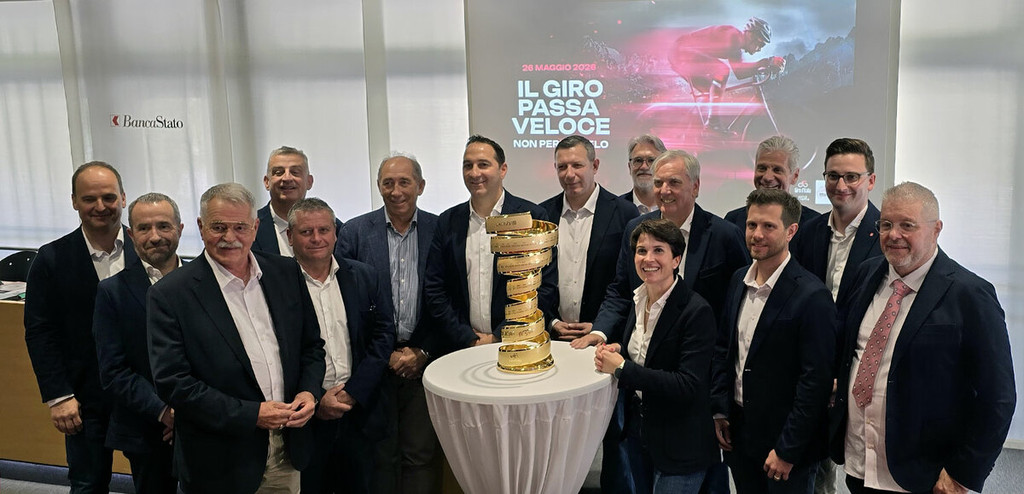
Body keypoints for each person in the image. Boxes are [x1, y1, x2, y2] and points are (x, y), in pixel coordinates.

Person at [830, 182, 1015, 494]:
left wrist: (963, 474)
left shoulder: (970, 295)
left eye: (907, 225)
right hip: (860, 461)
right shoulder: (866, 275)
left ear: (936, 229)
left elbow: (998, 397)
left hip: (924, 474)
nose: (893, 234)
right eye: (886, 224)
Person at [148, 183, 325, 493]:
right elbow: (174, 383)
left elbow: (311, 346)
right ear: (201, 227)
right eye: (219, 227)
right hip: (218, 461)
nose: (230, 237)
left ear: (255, 228)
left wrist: (309, 393)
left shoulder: (285, 272)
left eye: (240, 227)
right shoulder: (170, 294)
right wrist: (252, 415)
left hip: (287, 449)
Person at [712, 188, 836, 494]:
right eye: (752, 225)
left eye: (769, 226)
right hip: (740, 436)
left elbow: (815, 383)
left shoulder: (812, 295)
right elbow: (724, 350)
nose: (757, 234)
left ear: (791, 231)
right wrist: (720, 410)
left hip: (786, 446)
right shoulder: (737, 280)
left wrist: (788, 450)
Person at [25, 161, 137, 493]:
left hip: (143, 395)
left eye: (109, 197)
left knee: (156, 483)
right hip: (83, 398)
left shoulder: (148, 249)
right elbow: (40, 332)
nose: (100, 206)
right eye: (89, 199)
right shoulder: (52, 258)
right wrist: (58, 396)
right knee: (88, 484)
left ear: (123, 198)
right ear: (74, 201)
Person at [337, 153, 444, 494]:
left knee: (420, 456)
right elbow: (344, 305)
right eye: (388, 183)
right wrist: (383, 354)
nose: (396, 191)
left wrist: (423, 351)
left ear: (420, 186)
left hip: (423, 363)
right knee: (376, 455)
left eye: (404, 182)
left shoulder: (440, 230)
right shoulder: (354, 232)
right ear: (379, 187)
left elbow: (449, 300)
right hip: (371, 365)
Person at [538, 135, 639, 494]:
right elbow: (536, 281)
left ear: (595, 166)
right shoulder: (541, 214)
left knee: (614, 435)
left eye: (577, 165)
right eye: (562, 166)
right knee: (556, 435)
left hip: (605, 345)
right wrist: (551, 322)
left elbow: (626, 285)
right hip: (554, 343)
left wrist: (599, 329)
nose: (570, 173)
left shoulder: (625, 214)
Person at [594, 218, 718, 494]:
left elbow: (687, 384)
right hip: (640, 433)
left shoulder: (697, 311)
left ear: (676, 260)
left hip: (680, 443)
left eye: (658, 250)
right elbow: (649, 354)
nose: (648, 258)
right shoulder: (638, 299)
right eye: (641, 251)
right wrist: (620, 350)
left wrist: (623, 368)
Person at [578, 149, 748, 348]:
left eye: (674, 183)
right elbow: (621, 290)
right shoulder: (635, 228)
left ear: (695, 187)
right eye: (658, 183)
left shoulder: (725, 235)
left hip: (699, 355)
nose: (664, 191)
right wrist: (600, 331)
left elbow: (738, 304)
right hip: (639, 353)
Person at [288, 198, 395, 494]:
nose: (317, 238)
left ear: (335, 232)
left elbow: (383, 335)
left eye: (324, 229)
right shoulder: (275, 284)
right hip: (306, 417)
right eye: (306, 232)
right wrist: (317, 399)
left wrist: (354, 392)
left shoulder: (364, 275)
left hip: (359, 411)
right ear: (290, 236)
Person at [423, 135, 557, 350]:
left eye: (483, 164)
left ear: (503, 170)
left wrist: (499, 336)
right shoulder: (447, 222)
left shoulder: (531, 218)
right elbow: (435, 289)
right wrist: (467, 337)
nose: (474, 173)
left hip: (518, 345)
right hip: (461, 347)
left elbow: (544, 287)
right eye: (468, 165)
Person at [92, 193, 183, 494]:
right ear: (130, 235)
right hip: (146, 430)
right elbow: (114, 371)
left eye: (164, 226)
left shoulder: (206, 281)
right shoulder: (111, 292)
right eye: (144, 228)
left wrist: (191, 413)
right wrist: (165, 412)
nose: (155, 236)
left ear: (180, 229)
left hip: (206, 424)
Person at [791, 138, 881, 303]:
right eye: (833, 176)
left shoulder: (886, 235)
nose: (840, 186)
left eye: (851, 177)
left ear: (871, 181)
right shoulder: (808, 232)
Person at [667, 17, 784, 132]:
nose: (759, 49)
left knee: (711, 93)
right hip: (681, 51)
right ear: (751, 35)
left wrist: (764, 65)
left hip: (680, 53)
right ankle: (712, 124)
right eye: (760, 44)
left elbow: (740, 73)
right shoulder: (733, 36)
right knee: (722, 70)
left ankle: (692, 130)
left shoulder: (736, 45)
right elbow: (740, 71)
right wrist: (766, 62)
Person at [253, 145, 341, 256]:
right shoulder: (250, 228)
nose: (287, 178)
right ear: (267, 182)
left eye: (295, 172)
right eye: (279, 172)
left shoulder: (338, 229)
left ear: (309, 181)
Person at [724, 136, 819, 231]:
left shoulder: (814, 225)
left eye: (777, 170)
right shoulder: (733, 222)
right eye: (762, 168)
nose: (767, 177)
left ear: (795, 176)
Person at [619, 134, 667, 214]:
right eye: (638, 160)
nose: (644, 167)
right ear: (630, 167)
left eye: (651, 160)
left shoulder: (675, 208)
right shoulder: (615, 208)